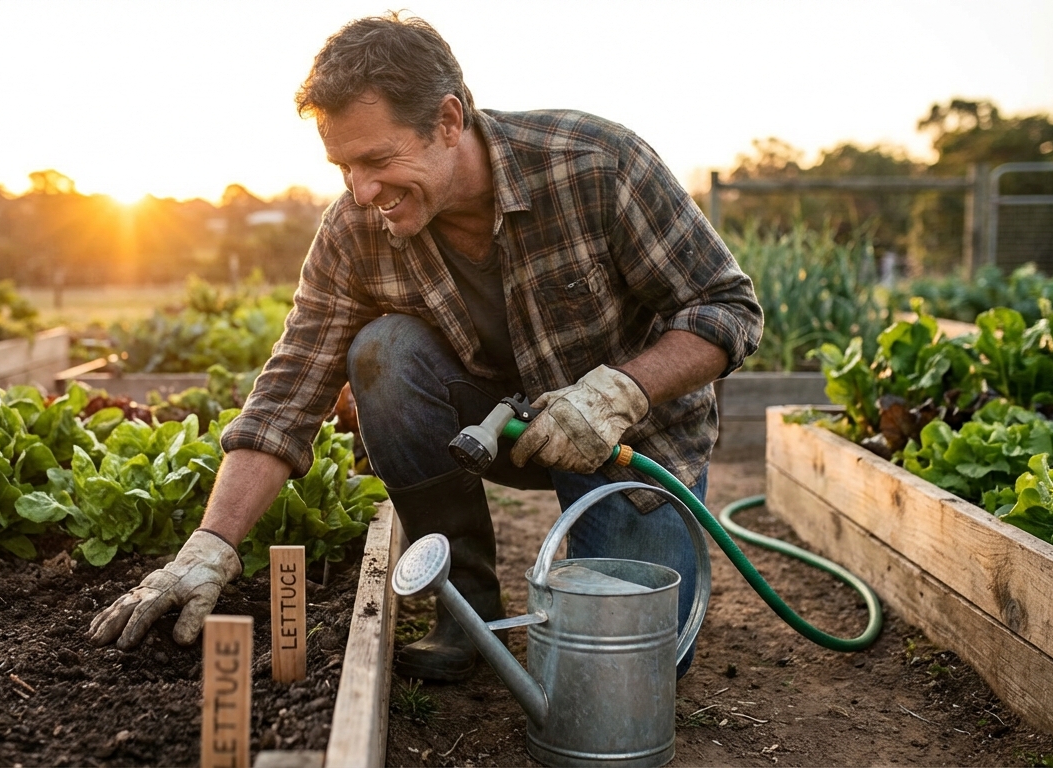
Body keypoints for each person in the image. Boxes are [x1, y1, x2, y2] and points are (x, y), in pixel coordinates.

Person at [87, 12, 763, 682]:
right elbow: (287, 395)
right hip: (489, 431)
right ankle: (463, 605)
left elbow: (727, 306)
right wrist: (209, 548)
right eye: (344, 165)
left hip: (625, 440)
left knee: (634, 669)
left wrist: (619, 391)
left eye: (378, 160)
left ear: (448, 120)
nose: (361, 189)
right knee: (383, 352)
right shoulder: (355, 230)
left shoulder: (594, 165)